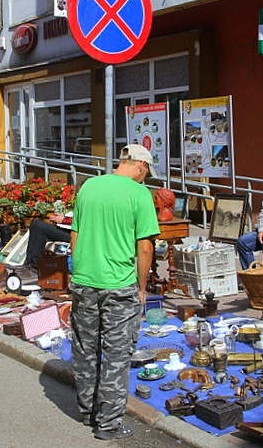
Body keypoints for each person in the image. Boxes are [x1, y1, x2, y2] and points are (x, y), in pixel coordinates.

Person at [69, 144, 160, 440]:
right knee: (116, 355)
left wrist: (82, 269)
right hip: (119, 284)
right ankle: (108, 424)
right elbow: (145, 246)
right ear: (141, 167)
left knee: (85, 348)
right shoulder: (139, 194)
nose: (145, 178)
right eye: (145, 174)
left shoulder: (89, 186)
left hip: (84, 281)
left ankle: (87, 411)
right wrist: (142, 287)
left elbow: (75, 233)